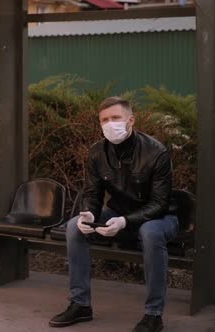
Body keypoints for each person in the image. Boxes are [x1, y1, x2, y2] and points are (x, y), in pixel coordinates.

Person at [49, 97, 178, 332]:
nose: (110, 124)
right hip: (118, 213)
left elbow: (160, 203)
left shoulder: (156, 151)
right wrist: (88, 213)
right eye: (104, 120)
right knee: (73, 227)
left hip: (160, 218)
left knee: (149, 233)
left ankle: (153, 314)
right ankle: (80, 304)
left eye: (116, 118)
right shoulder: (97, 152)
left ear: (131, 120)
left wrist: (125, 221)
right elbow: (92, 193)